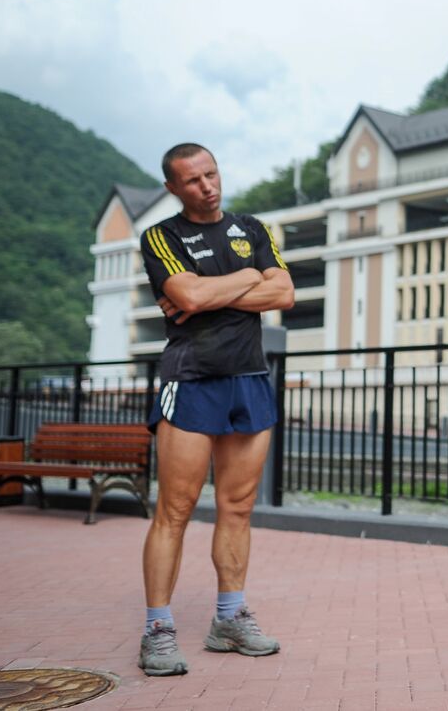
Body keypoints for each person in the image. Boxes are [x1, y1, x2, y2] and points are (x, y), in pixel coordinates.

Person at [136, 143, 295, 676]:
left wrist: (209, 292)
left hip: (249, 377)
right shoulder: (161, 237)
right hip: (193, 377)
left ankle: (228, 619)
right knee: (175, 511)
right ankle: (157, 629)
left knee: (239, 506)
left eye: (212, 174)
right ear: (173, 188)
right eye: (193, 180)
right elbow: (190, 296)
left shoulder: (251, 228)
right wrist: (248, 280)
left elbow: (285, 292)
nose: (207, 186)